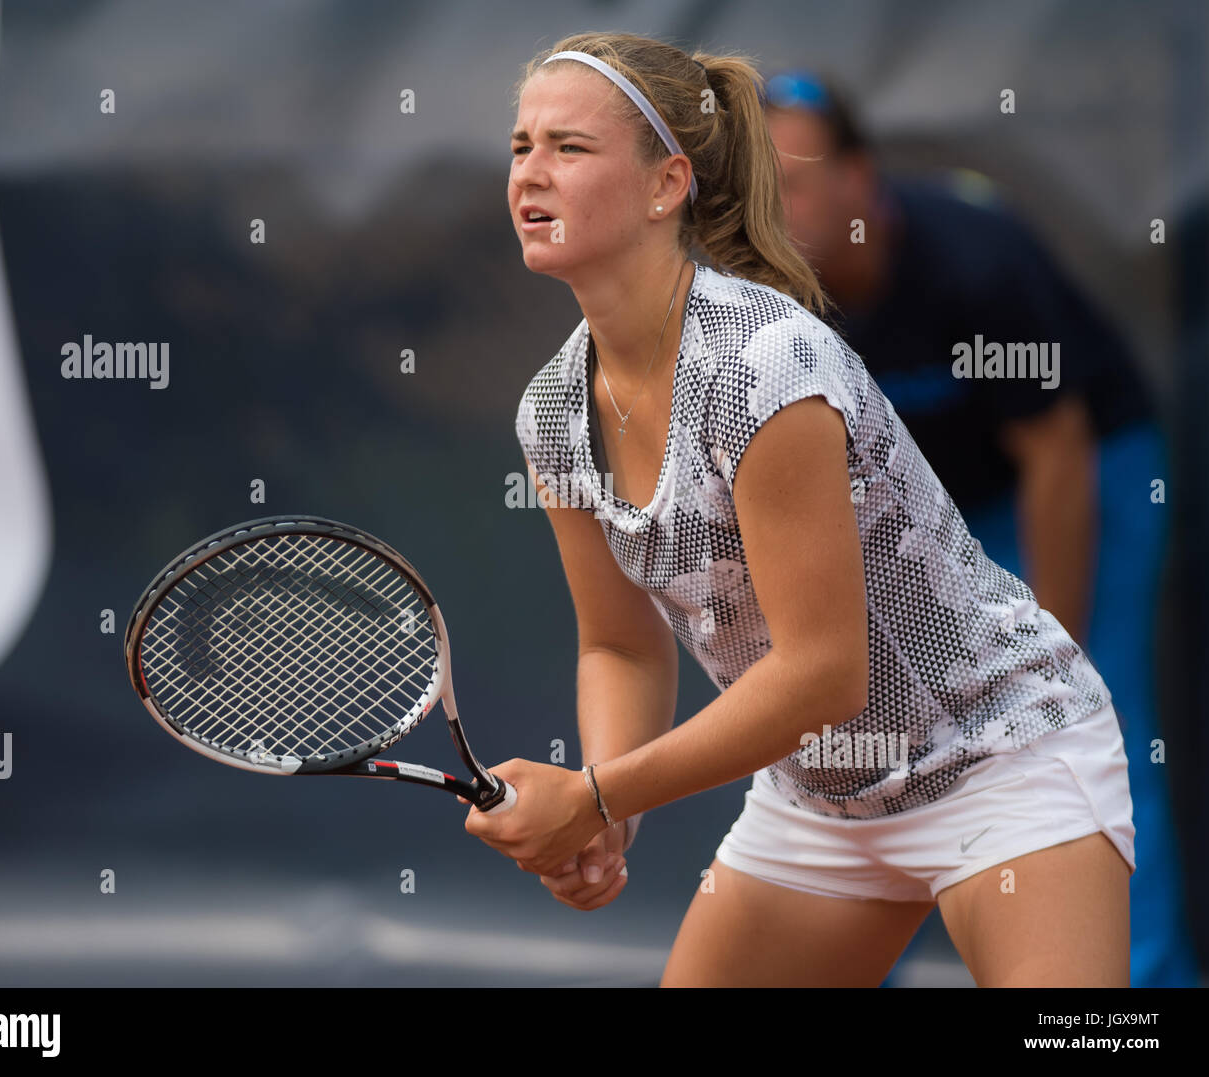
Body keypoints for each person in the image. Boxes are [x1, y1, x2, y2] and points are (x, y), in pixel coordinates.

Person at [463, 31, 1135, 988]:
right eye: (522, 146)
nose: (532, 172)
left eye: (570, 148)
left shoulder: (763, 364)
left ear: (667, 186)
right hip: (820, 802)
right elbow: (621, 644)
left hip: (1001, 755)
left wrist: (595, 791)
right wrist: (608, 813)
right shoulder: (551, 414)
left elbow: (824, 674)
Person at [762, 69, 1198, 988]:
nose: (773, 205)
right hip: (931, 503)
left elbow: (1055, 454)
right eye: (756, 185)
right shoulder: (769, 300)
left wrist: (1055, 663)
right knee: (870, 732)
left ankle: (1139, 987)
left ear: (858, 179)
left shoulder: (976, 261)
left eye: (793, 179)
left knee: (1089, 721)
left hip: (1083, 469)